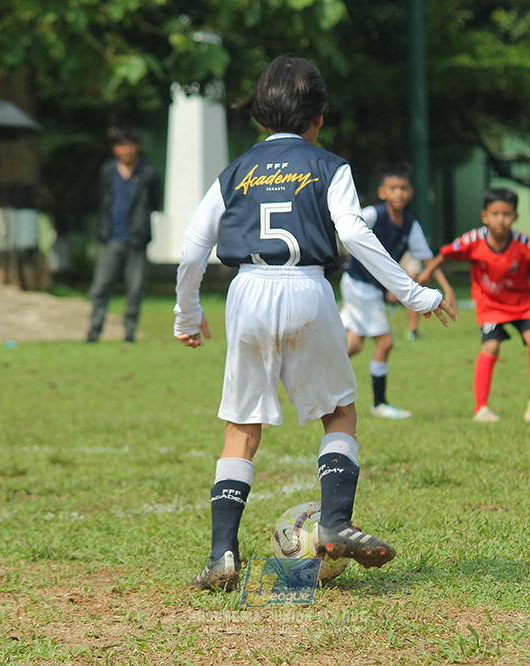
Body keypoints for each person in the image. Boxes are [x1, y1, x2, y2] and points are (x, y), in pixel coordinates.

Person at [173, 55, 456, 591]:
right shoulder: (331, 166)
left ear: (260, 117)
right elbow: (352, 235)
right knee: (340, 412)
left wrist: (187, 314)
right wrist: (414, 293)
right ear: (319, 116)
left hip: (247, 292)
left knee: (242, 427)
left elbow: (192, 251)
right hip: (308, 287)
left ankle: (222, 556)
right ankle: (335, 522)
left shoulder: (233, 172)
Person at [419, 188, 530, 422]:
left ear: (516, 217)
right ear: (485, 216)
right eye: (496, 214)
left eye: (507, 214)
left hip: (522, 303)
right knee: (491, 348)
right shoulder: (473, 240)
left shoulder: (524, 244)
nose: (501, 220)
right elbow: (446, 253)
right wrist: (428, 271)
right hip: (490, 305)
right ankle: (481, 408)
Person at [340, 163, 457, 420]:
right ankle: (379, 403)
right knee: (385, 341)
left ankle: (319, 370)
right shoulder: (372, 215)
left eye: (403, 188)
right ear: (382, 192)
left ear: (411, 192)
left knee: (355, 344)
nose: (399, 194)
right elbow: (346, 228)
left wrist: (447, 288)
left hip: (366, 288)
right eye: (393, 188)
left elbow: (427, 258)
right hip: (359, 284)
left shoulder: (410, 224)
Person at [86, 127, 163, 344]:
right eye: (122, 146)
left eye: (130, 145)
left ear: (136, 147)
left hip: (136, 239)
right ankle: (94, 331)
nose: (126, 150)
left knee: (135, 289)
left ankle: (129, 333)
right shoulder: (107, 172)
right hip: (110, 237)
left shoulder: (148, 173)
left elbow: (155, 201)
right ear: (116, 149)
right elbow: (101, 199)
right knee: (101, 287)